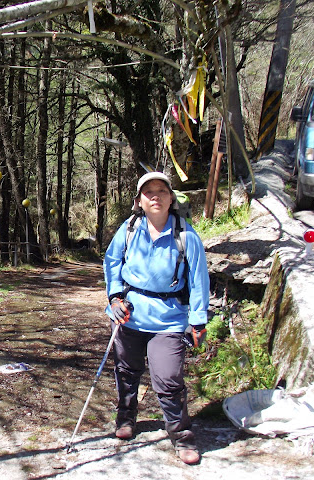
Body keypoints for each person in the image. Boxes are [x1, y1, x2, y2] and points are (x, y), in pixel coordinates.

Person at [103, 171, 210, 465]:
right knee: (126, 371)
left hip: (170, 320)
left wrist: (198, 321)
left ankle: (181, 436)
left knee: (168, 378)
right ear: (139, 200)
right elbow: (112, 262)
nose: (155, 196)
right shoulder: (129, 229)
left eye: (161, 191)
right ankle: (126, 419)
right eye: (148, 192)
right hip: (130, 315)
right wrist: (114, 298)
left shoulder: (186, 236)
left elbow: (199, 280)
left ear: (171, 198)